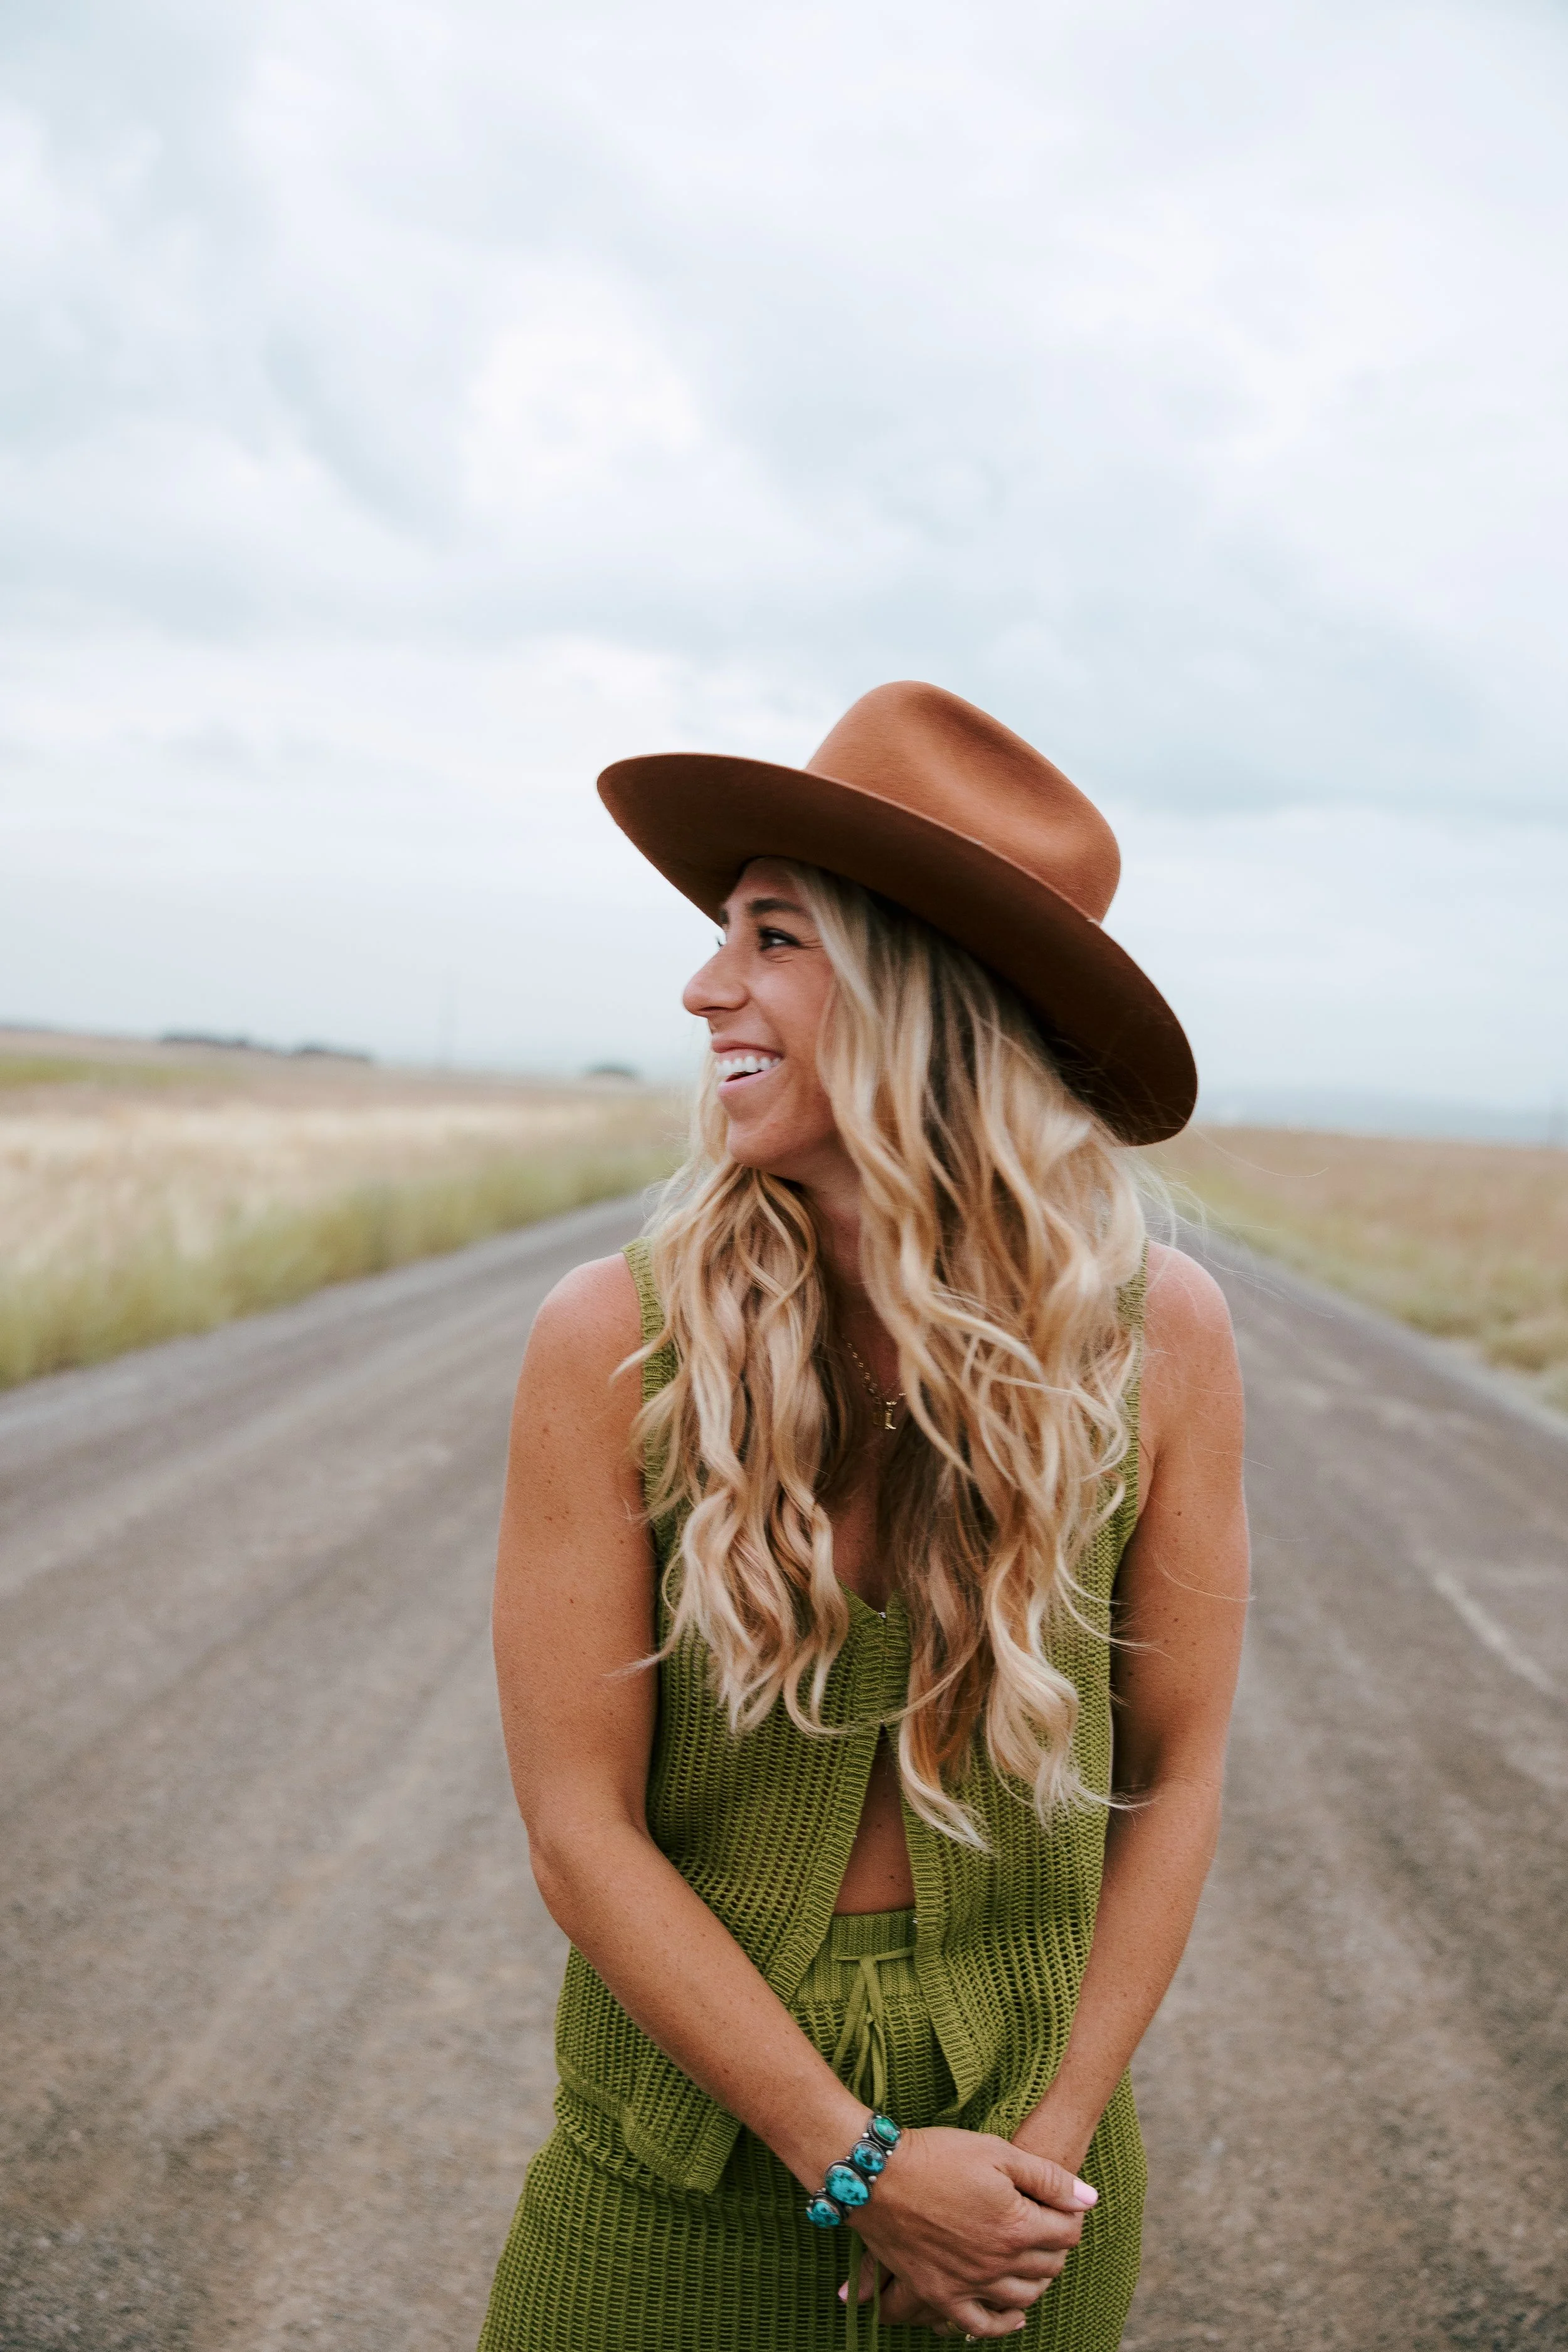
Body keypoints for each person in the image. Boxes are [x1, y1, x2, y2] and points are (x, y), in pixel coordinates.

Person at [478, 682, 1248, 2351]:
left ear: (921, 995)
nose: (702, 985)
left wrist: (1030, 2176)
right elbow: (575, 1823)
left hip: (1024, 2224)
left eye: (772, 937)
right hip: (663, 2191)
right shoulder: (609, 1341)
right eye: (718, 935)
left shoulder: (1155, 1334)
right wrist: (864, 2170)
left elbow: (1177, 1768)